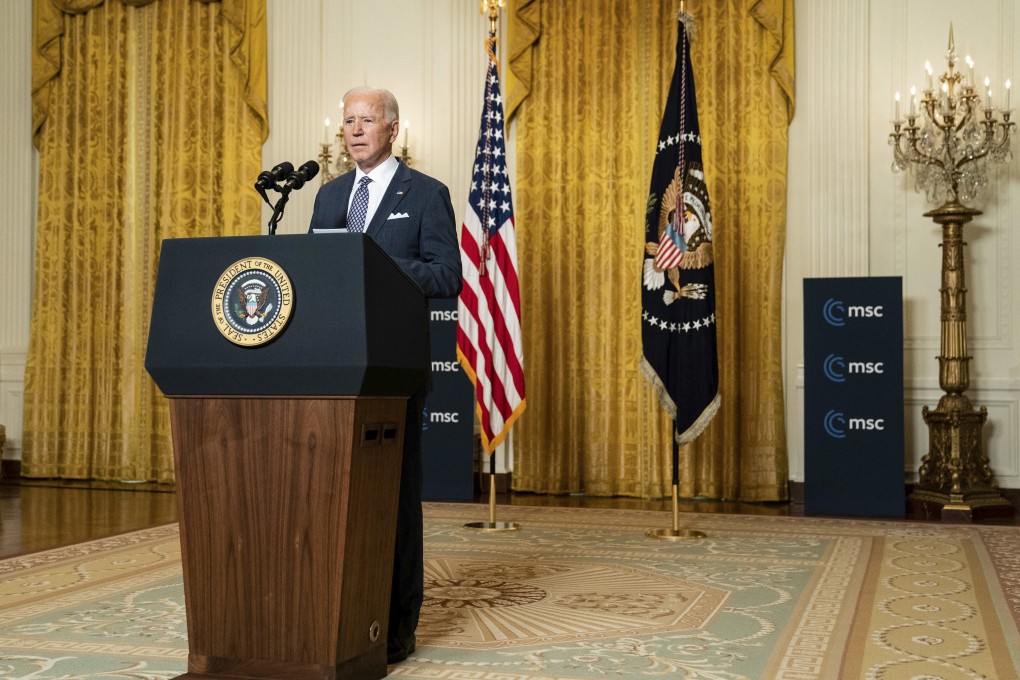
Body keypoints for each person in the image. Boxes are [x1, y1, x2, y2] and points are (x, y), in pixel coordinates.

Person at [308, 86, 462, 664]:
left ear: (392, 129)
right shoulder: (327, 198)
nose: (353, 131)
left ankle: (398, 628)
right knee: (336, 498)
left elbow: (447, 274)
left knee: (394, 503)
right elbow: (317, 275)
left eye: (365, 120)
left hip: (392, 371)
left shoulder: (426, 195)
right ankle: (338, 612)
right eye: (347, 121)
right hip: (333, 372)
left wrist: (373, 262)